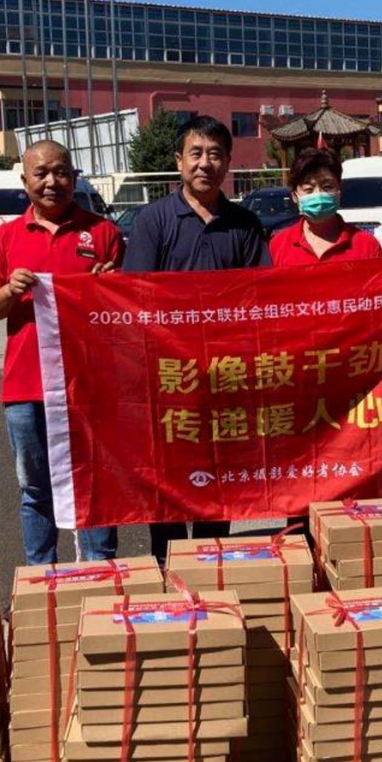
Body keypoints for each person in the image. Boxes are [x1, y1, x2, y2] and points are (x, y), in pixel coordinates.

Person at [123, 115, 269, 562]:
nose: (205, 163)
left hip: (225, 377)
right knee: (166, 477)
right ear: (179, 161)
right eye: (196, 153)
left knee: (218, 476)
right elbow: (134, 298)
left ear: (228, 163)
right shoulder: (153, 221)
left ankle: (211, 562)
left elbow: (261, 297)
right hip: (168, 376)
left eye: (215, 155)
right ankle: (165, 565)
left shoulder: (244, 223)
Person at [0, 139, 123, 564]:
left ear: (74, 178)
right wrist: (10, 290)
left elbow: (124, 313)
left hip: (90, 386)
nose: (52, 181)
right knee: (35, 488)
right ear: (25, 182)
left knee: (94, 482)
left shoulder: (104, 233)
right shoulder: (5, 239)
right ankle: (42, 577)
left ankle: (100, 572)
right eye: (41, 173)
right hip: (27, 387)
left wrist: (111, 287)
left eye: (60, 172)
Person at [268, 149, 382, 266]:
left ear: (339, 190)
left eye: (327, 187)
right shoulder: (278, 246)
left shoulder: (367, 246)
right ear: (295, 196)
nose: (318, 195)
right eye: (309, 189)